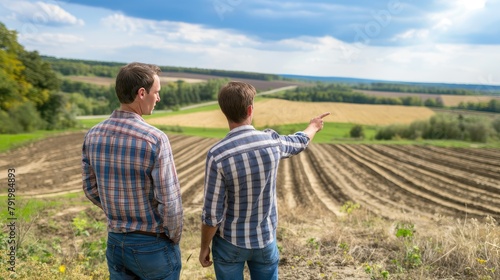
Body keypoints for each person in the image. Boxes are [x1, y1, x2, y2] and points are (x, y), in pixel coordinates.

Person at [199, 81, 330, 279]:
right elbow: (300, 141)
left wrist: (204, 247)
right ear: (250, 109)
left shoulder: (217, 155)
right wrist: (313, 126)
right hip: (265, 240)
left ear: (223, 110)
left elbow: (212, 215)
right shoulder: (272, 142)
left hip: (230, 243)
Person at [82, 62, 183, 280]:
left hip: (116, 243)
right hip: (153, 244)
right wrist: (173, 237)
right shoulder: (155, 139)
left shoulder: (93, 134)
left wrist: (117, 210)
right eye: (156, 93)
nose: (158, 98)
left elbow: (90, 188)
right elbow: (170, 200)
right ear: (141, 93)